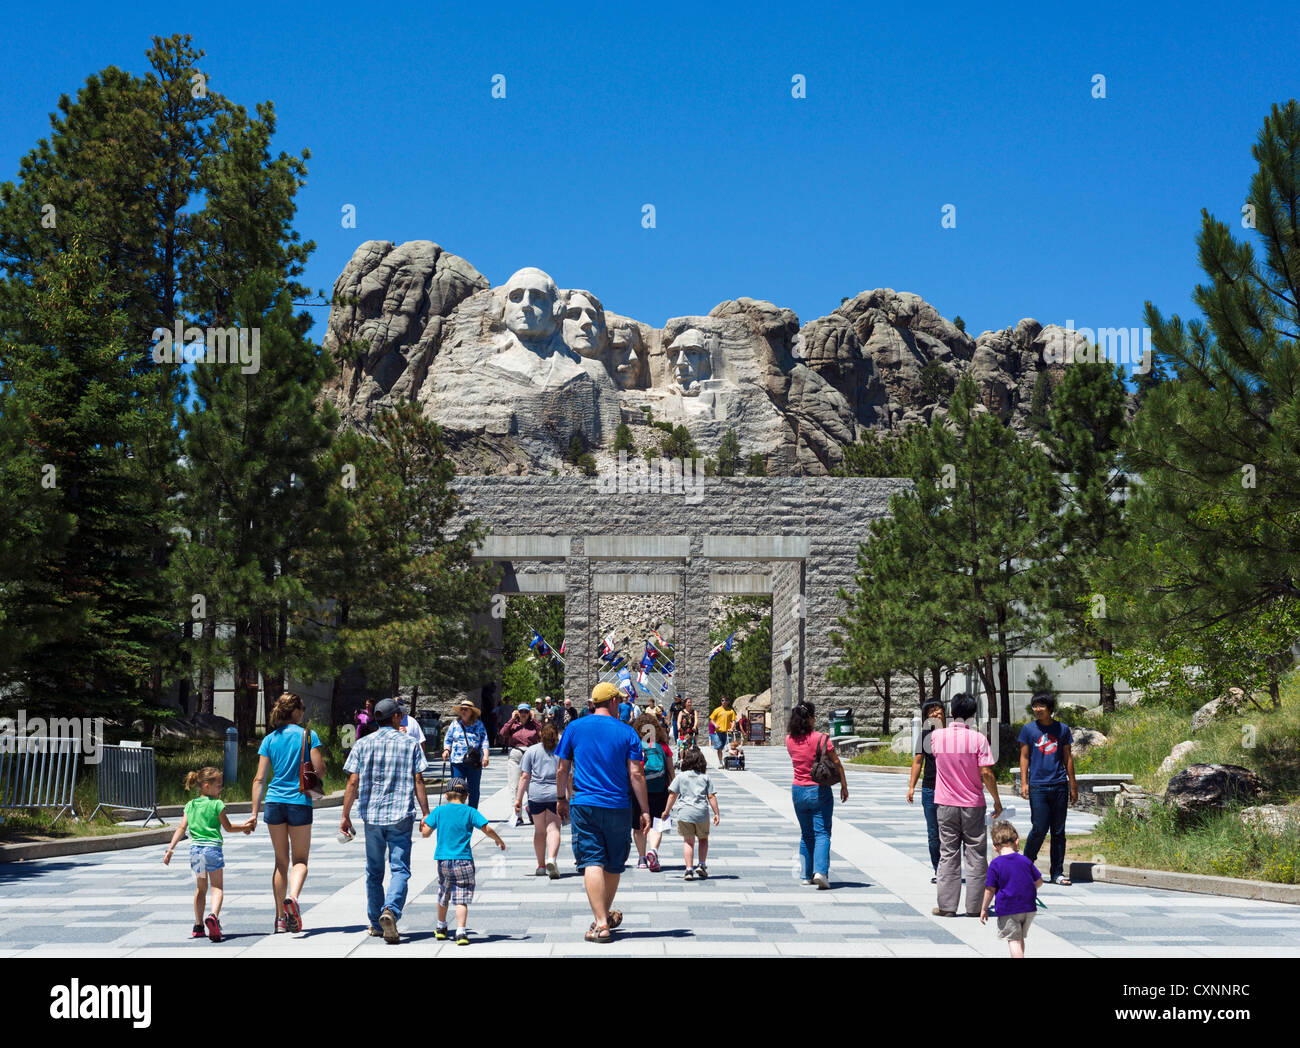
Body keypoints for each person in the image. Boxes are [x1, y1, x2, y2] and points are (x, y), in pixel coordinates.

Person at [556, 681, 650, 943]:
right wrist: (644, 810)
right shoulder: (627, 732)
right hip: (618, 806)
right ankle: (603, 918)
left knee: (592, 861)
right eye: (618, 701)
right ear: (612, 702)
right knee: (613, 863)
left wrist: (560, 798)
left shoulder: (574, 728)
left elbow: (563, 768)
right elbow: (636, 773)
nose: (619, 704)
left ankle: (601, 921)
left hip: (584, 804)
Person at [340, 697, 430, 944]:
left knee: (374, 871)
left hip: (372, 817)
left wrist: (345, 815)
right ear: (395, 718)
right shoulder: (410, 744)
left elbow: (352, 782)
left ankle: (375, 923)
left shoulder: (362, 744)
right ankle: (390, 910)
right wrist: (426, 813)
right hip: (401, 815)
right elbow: (419, 780)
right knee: (400, 869)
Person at [251, 692, 327, 933]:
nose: (303, 713)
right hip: (299, 801)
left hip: (273, 802)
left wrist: (254, 812)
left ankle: (280, 920)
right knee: (301, 860)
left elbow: (259, 778)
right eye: (302, 709)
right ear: (295, 712)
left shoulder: (270, 739)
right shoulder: (308, 735)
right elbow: (320, 770)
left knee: (280, 862)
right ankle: (293, 898)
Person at [931, 692, 1003, 918]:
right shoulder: (979, 739)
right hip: (973, 803)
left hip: (945, 803)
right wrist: (997, 801)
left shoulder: (936, 737)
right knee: (975, 855)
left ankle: (947, 906)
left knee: (948, 853)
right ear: (973, 715)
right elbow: (986, 772)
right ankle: (975, 907)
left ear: (951, 712)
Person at [163, 767, 253, 942]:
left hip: (195, 851)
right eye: (218, 785)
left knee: (200, 888)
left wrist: (170, 849)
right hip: (212, 849)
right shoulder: (217, 804)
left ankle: (198, 926)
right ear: (206, 785)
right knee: (217, 887)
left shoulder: (190, 805)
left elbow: (182, 828)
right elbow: (228, 828)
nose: (221, 788)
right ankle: (213, 916)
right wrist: (245, 828)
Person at [422, 777, 506, 946]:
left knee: (443, 893)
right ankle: (461, 931)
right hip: (464, 860)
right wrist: (498, 839)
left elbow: (425, 833)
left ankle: (440, 927)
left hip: (444, 861)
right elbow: (486, 828)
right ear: (466, 796)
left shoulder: (438, 811)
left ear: (446, 796)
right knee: (461, 896)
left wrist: (424, 825)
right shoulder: (470, 812)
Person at [785, 701, 848, 889]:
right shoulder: (821, 739)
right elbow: (837, 763)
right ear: (811, 718)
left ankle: (806, 875)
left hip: (797, 790)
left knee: (806, 834)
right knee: (822, 832)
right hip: (818, 790)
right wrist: (844, 785)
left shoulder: (789, 740)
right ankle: (820, 871)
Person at [1018, 691, 1078, 886]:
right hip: (1038, 786)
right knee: (1039, 828)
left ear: (1050, 708)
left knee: (1058, 831)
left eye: (1041, 706)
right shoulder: (1028, 730)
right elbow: (1024, 757)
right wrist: (1024, 783)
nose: (1037, 709)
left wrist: (1073, 784)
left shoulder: (1062, 729)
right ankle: (1025, 867)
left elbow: (1068, 757)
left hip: (1059, 784)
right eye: (1035, 706)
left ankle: (1057, 873)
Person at [980, 821, 1043, 958]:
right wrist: (1030, 890)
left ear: (995, 847)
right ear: (1017, 841)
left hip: (1008, 908)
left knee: (1013, 940)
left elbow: (990, 889)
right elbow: (1039, 881)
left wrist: (984, 908)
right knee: (1019, 938)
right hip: (1028, 908)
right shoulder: (1025, 861)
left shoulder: (996, 864)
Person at [515, 723, 565, 878]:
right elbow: (567, 775)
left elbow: (525, 776)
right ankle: (552, 858)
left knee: (539, 831)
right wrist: (568, 796)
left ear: (540, 734)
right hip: (556, 794)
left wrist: (518, 799)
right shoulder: (562, 751)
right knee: (554, 829)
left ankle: (541, 865)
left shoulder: (531, 751)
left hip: (536, 795)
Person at [664, 746, 719, 879]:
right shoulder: (705, 778)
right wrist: (716, 813)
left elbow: (672, 795)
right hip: (701, 813)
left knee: (688, 842)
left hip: (684, 813)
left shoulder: (681, 777)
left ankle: (689, 869)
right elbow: (711, 796)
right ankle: (701, 864)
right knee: (703, 839)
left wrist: (666, 811)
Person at [906, 698, 946, 882]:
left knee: (950, 831)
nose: (936, 714)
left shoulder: (952, 733)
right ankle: (938, 869)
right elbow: (917, 761)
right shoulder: (924, 735)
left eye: (938, 710)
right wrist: (912, 787)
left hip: (950, 789)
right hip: (930, 788)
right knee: (933, 833)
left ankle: (950, 869)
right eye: (931, 712)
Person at [631, 712, 675, 871]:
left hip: (638, 790)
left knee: (637, 826)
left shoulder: (635, 745)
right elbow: (670, 770)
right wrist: (672, 790)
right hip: (659, 790)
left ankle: (642, 859)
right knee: (657, 824)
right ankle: (653, 850)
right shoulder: (663, 746)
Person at [442, 699, 490, 809]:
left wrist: (486, 756)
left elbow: (484, 741)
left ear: (471, 712)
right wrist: (446, 750)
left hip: (474, 761)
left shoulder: (479, 724)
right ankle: (458, 811)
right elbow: (448, 740)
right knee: (456, 788)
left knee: (473, 789)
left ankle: (472, 813)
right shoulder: (454, 724)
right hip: (457, 761)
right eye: (462, 709)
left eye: (466, 710)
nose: (463, 711)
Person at [499, 702, 542, 820]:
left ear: (529, 713)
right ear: (518, 712)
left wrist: (534, 720)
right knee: (514, 786)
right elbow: (502, 733)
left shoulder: (533, 725)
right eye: (521, 711)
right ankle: (517, 814)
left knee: (531, 786)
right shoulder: (513, 725)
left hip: (531, 754)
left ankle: (532, 810)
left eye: (526, 712)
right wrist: (512, 719)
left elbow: (543, 733)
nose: (523, 714)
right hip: (516, 755)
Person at [709, 697, 737, 767]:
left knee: (729, 747)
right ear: (721, 701)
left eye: (725, 700)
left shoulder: (731, 711)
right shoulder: (717, 710)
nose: (724, 701)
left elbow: (733, 721)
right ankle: (721, 762)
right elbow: (711, 719)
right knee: (719, 748)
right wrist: (715, 725)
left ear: (728, 701)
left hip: (728, 732)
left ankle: (729, 762)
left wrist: (731, 728)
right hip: (718, 732)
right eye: (722, 700)